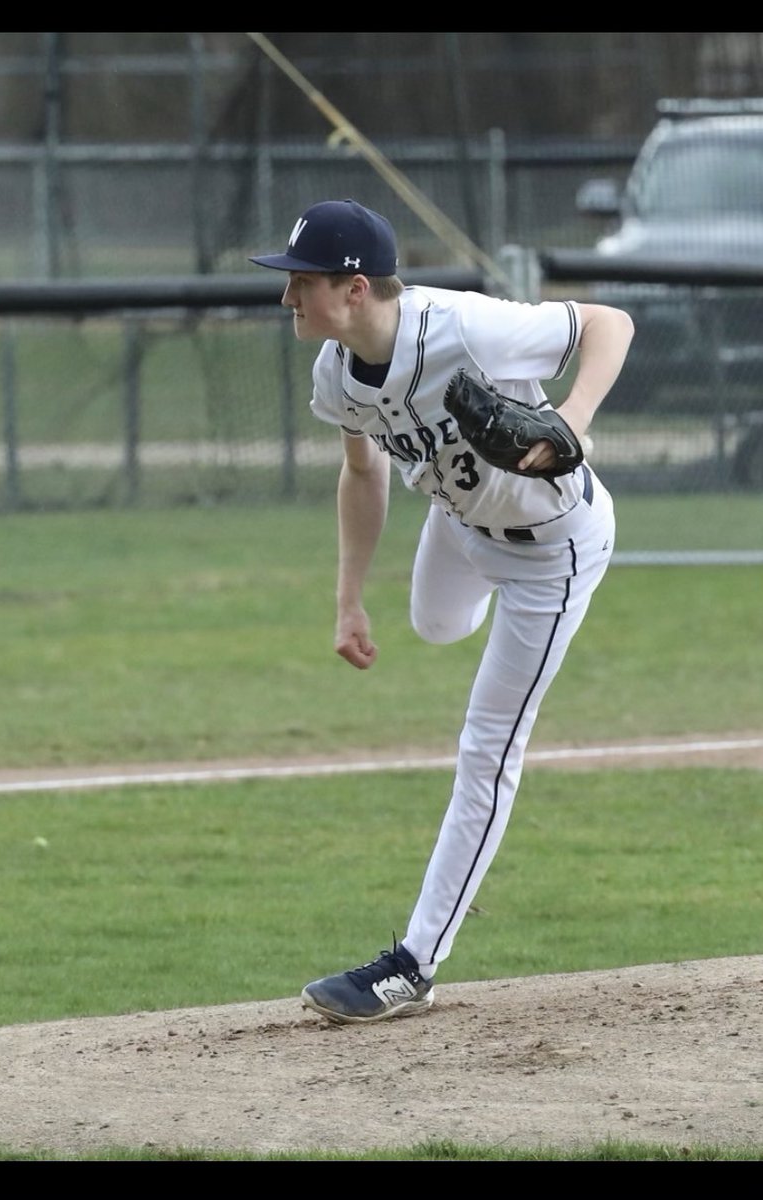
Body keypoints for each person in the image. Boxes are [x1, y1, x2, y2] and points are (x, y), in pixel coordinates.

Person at [249, 198, 634, 1024]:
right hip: (460, 526)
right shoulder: (335, 375)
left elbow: (611, 323)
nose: (288, 300)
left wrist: (568, 420)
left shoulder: (466, 329)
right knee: (432, 623)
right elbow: (363, 475)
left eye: (302, 283)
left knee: (487, 750)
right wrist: (349, 598)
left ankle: (413, 964)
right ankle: (476, 581)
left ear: (354, 289)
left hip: (550, 553)